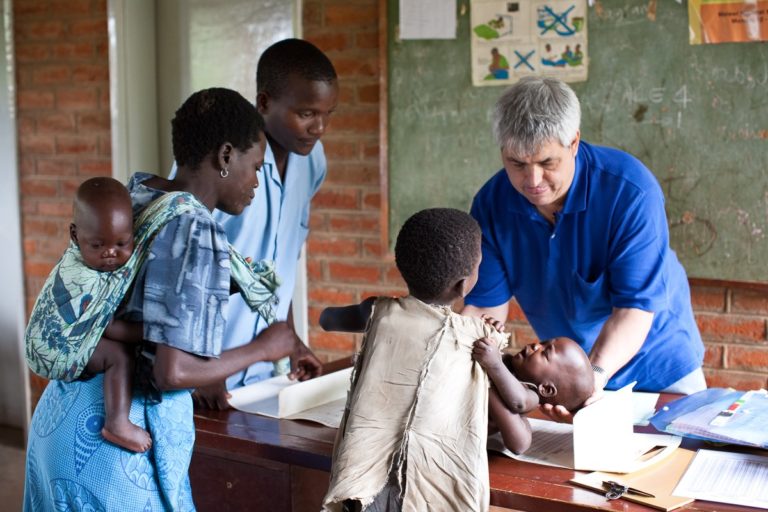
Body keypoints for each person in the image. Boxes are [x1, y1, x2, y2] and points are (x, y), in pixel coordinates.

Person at [24, 87, 297, 510]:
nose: (256, 183)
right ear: (226, 156)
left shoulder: (137, 194)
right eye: (255, 168)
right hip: (111, 449)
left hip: (60, 420)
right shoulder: (195, 227)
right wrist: (266, 347)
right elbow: (172, 371)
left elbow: (142, 286)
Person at [462, 76, 705, 422]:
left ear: (573, 142)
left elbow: (633, 309)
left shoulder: (630, 192)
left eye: (547, 163)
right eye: (516, 163)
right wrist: (449, 356)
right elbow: (485, 306)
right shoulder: (491, 204)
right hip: (571, 378)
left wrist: (595, 379)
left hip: (661, 368)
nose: (532, 181)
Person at [321, 208, 510, 511]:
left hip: (365, 480)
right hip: (431, 489)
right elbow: (516, 401)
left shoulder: (378, 312)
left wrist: (356, 313)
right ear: (464, 285)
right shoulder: (476, 336)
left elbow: (327, 319)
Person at [188, 38, 338, 409]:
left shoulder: (312, 161)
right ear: (264, 102)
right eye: (306, 114)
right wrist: (203, 366)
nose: (319, 127)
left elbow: (279, 263)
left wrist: (289, 338)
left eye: (327, 114)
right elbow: (187, 267)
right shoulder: (222, 163)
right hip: (201, 374)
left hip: (262, 372)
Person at [25, 177, 152, 453]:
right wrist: (151, 331)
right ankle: (117, 423)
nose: (110, 253)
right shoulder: (81, 277)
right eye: (97, 245)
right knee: (120, 356)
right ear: (74, 236)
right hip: (54, 347)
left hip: (62, 338)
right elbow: (105, 327)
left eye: (122, 242)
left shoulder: (96, 257)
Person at [472, 335, 594, 454]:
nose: (536, 345)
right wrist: (492, 332)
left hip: (465, 427)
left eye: (545, 353)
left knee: (521, 440)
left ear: (546, 389)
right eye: (544, 342)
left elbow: (519, 402)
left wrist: (494, 365)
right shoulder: (508, 363)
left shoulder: (531, 396)